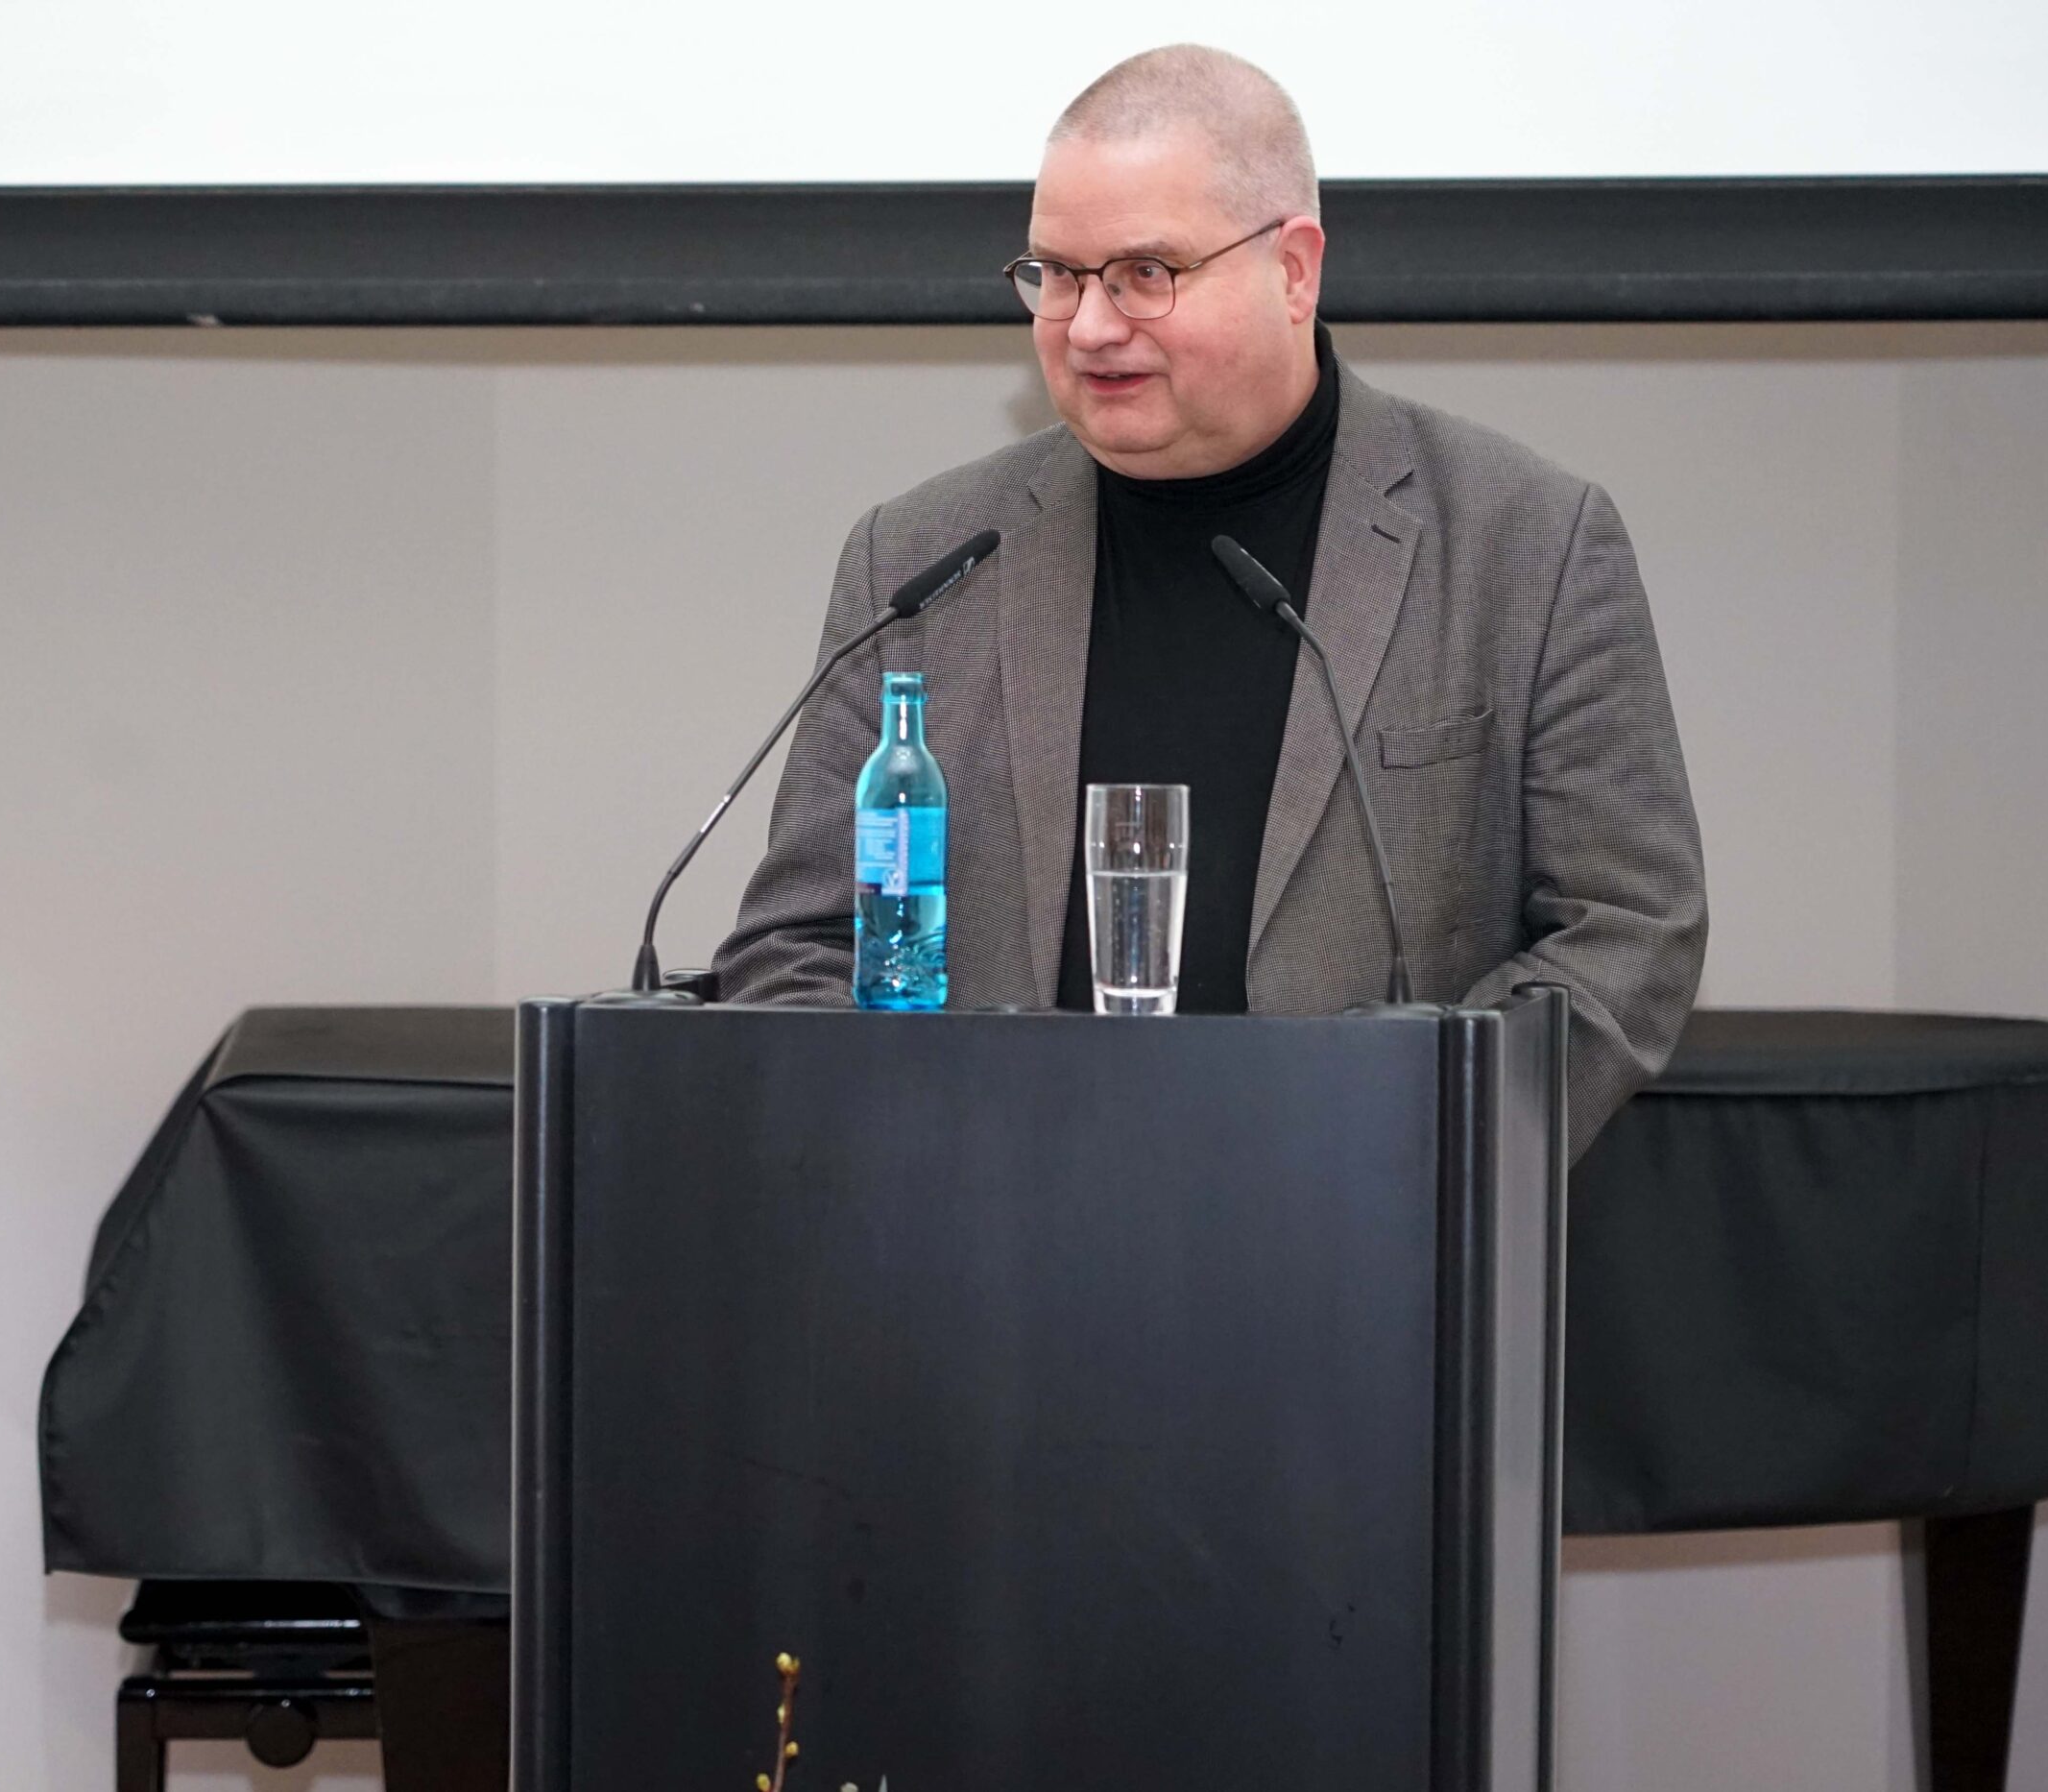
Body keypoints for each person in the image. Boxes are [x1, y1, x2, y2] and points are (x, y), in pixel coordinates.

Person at [714, 44, 1706, 1155]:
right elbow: (797, 947)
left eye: (1145, 272)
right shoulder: (918, 559)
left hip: (1366, 1223)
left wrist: (1408, 1151)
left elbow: (1627, 935)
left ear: (1294, 271)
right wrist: (927, 1155)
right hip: (985, 1221)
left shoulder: (1523, 542)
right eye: (1058, 274)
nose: (1089, 326)